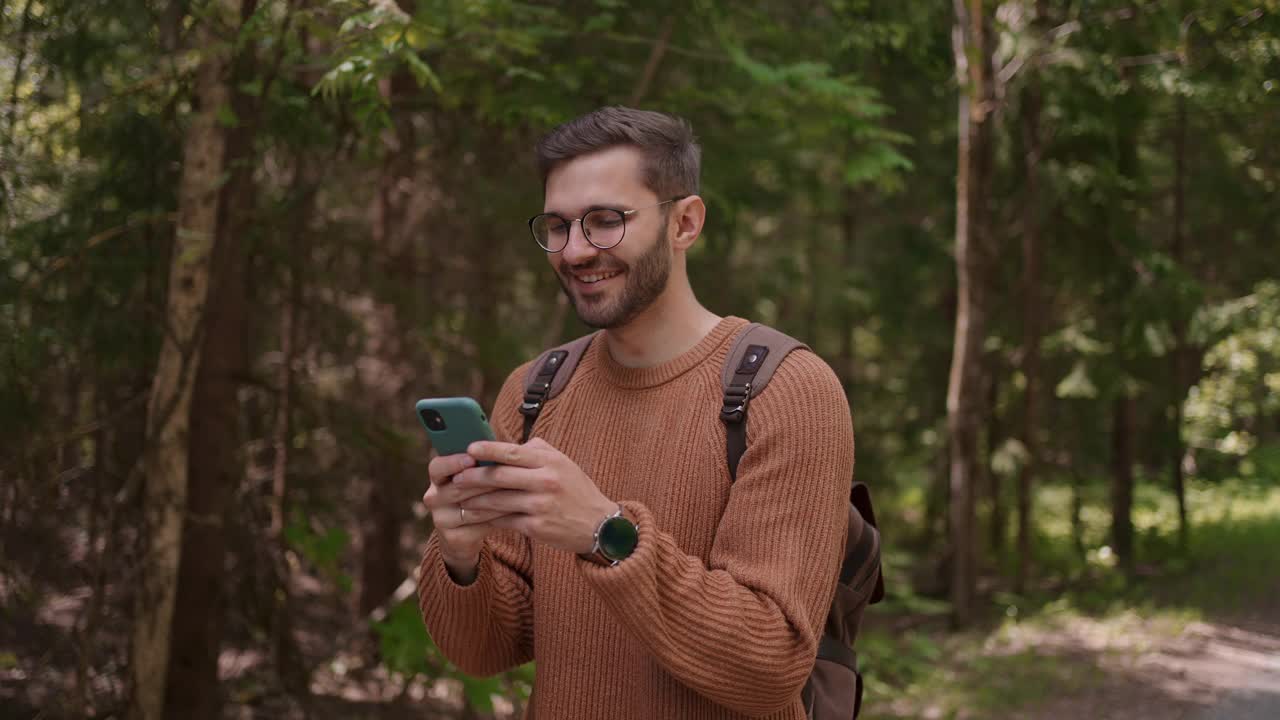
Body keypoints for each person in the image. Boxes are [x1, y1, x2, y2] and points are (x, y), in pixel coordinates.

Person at [417, 106, 854, 719]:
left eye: (604, 222)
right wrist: (461, 557)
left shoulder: (785, 388)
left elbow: (771, 663)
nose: (575, 251)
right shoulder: (536, 391)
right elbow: (487, 649)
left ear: (685, 222)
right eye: (558, 226)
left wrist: (606, 534)